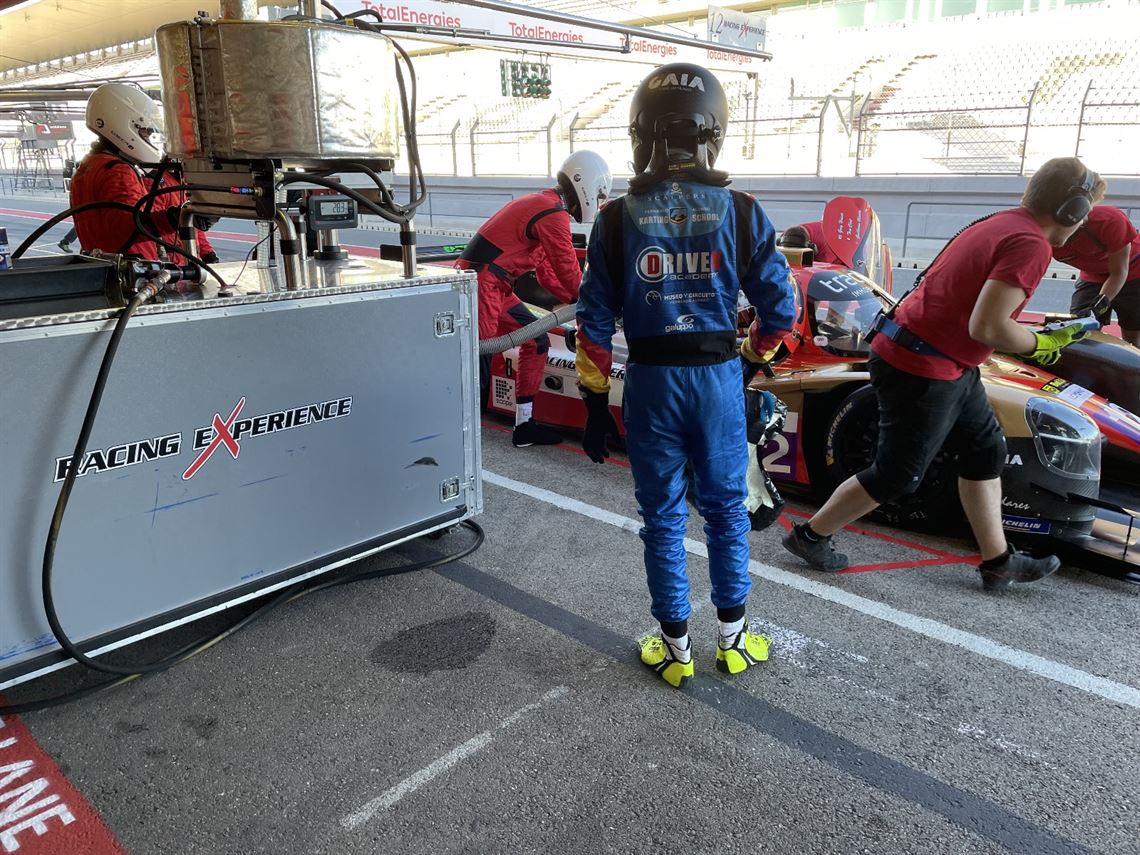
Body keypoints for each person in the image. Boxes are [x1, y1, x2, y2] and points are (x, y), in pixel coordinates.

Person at [575, 63, 796, 688]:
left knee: (663, 518)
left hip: (651, 383)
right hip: (718, 378)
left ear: (640, 133)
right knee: (726, 511)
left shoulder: (614, 219)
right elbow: (783, 311)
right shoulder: (743, 211)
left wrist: (593, 402)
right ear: (714, 133)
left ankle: (676, 653)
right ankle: (734, 643)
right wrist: (751, 357)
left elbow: (593, 323)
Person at [781, 156, 1098, 591]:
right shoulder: (1031, 244)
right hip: (923, 367)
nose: (1085, 223)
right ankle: (810, 537)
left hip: (942, 361)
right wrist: (1041, 344)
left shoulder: (1001, 224)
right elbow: (988, 327)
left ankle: (998, 562)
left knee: (984, 451)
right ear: (1071, 210)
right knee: (896, 475)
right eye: (1085, 213)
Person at [456, 149, 611, 448]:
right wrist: (596, 301)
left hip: (494, 286)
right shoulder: (551, 212)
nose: (598, 199)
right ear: (586, 183)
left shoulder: (546, 206)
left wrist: (580, 301)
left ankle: (524, 425)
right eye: (599, 193)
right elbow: (567, 270)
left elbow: (547, 276)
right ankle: (461, 442)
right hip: (480, 284)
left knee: (536, 341)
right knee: (477, 358)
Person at [69, 83, 216, 265]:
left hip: (103, 266)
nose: (147, 140)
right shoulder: (117, 170)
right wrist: (177, 218)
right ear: (126, 125)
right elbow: (128, 227)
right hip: (128, 269)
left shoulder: (89, 167)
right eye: (144, 133)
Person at [1050, 193, 1140, 347]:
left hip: (1133, 271)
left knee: (1132, 335)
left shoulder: (1109, 219)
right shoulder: (1043, 238)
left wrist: (1097, 306)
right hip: (1092, 276)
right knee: (1079, 331)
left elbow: (1119, 272)